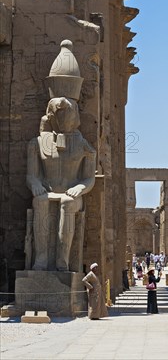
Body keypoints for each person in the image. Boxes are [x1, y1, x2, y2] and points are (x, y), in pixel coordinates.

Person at [26, 40, 96, 271]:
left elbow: (89, 178)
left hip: (70, 194)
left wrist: (80, 188)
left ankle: (62, 260)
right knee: (40, 202)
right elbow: (32, 176)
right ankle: (42, 258)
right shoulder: (37, 143)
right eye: (58, 113)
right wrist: (36, 185)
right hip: (48, 191)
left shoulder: (84, 145)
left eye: (68, 112)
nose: (63, 118)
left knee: (67, 202)